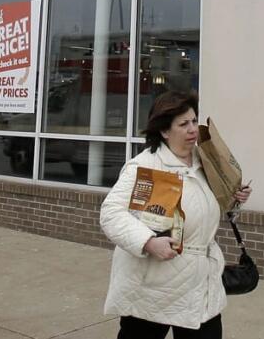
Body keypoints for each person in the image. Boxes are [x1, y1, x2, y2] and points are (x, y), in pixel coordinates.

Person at [100, 91, 251, 338]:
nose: (193, 129)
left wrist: (234, 200)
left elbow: (206, 210)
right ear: (164, 131)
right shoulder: (146, 167)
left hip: (201, 282)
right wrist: (147, 242)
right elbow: (111, 214)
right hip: (154, 286)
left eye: (194, 121)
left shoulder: (206, 163)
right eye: (183, 124)